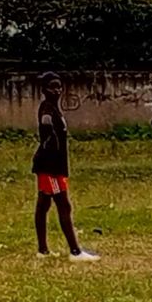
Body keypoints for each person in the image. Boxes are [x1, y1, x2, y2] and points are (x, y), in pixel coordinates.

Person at [32, 72, 97, 262]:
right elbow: (45, 123)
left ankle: (42, 250)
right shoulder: (47, 108)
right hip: (50, 165)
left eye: (59, 86)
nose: (57, 90)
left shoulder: (54, 107)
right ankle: (75, 251)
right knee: (63, 204)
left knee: (43, 204)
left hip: (52, 164)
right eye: (53, 86)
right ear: (44, 89)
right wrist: (50, 140)